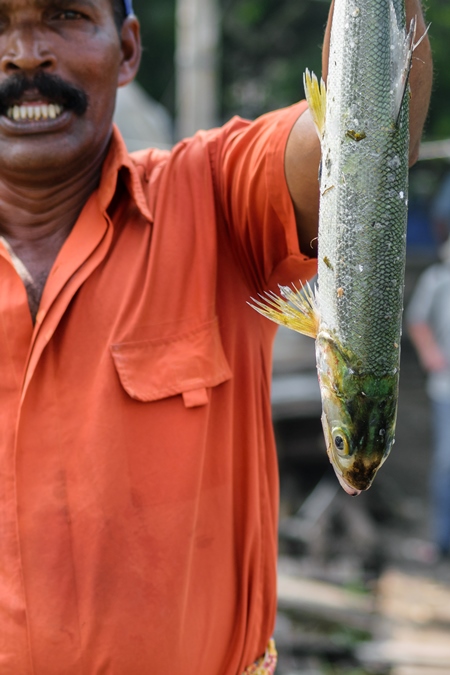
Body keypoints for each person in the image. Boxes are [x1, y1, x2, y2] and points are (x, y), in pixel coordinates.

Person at [0, 1, 431, 673]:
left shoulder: (216, 194)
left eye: (62, 15)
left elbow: (367, 145)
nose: (25, 53)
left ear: (129, 48)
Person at [407, 238, 450, 559]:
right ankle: (440, 540)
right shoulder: (437, 279)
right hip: (445, 388)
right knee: (446, 462)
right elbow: (418, 321)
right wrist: (431, 354)